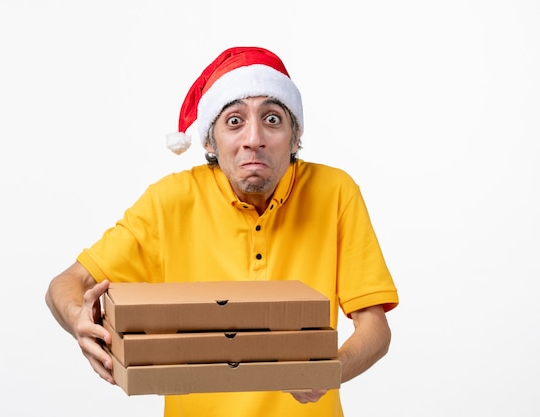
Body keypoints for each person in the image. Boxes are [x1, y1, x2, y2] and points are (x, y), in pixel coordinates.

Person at [45, 46, 399, 417]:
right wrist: (78, 320)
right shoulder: (171, 201)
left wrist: (329, 372)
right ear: (209, 141)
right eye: (234, 121)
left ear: (295, 137)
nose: (254, 138)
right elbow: (68, 282)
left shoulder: (335, 192)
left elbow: (375, 326)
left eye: (273, 119)